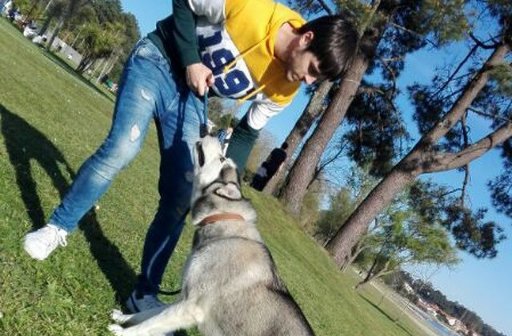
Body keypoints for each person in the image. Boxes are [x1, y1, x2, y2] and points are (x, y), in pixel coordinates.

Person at [23, 0, 359, 313]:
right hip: (155, 61)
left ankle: (144, 294)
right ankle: (56, 228)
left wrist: (228, 187)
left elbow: (245, 134)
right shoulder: (250, 8)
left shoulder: (284, 90)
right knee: (124, 146)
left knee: (182, 195)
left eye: (317, 79)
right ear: (306, 38)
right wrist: (192, 60)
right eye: (313, 70)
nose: (309, 81)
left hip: (191, 98)